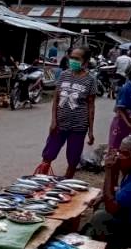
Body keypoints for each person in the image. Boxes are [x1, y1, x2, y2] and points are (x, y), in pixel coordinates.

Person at [36, 46, 96, 178]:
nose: (72, 60)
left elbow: (91, 106)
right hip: (59, 123)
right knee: (48, 154)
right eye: (71, 57)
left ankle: (66, 183)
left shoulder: (91, 80)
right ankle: (40, 181)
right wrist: (53, 121)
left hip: (79, 126)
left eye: (76, 58)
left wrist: (90, 131)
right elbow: (56, 99)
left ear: (85, 62)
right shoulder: (64, 75)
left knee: (73, 158)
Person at [108, 63, 131, 150]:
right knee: (116, 148)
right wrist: (129, 125)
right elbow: (120, 109)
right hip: (121, 124)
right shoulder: (126, 89)